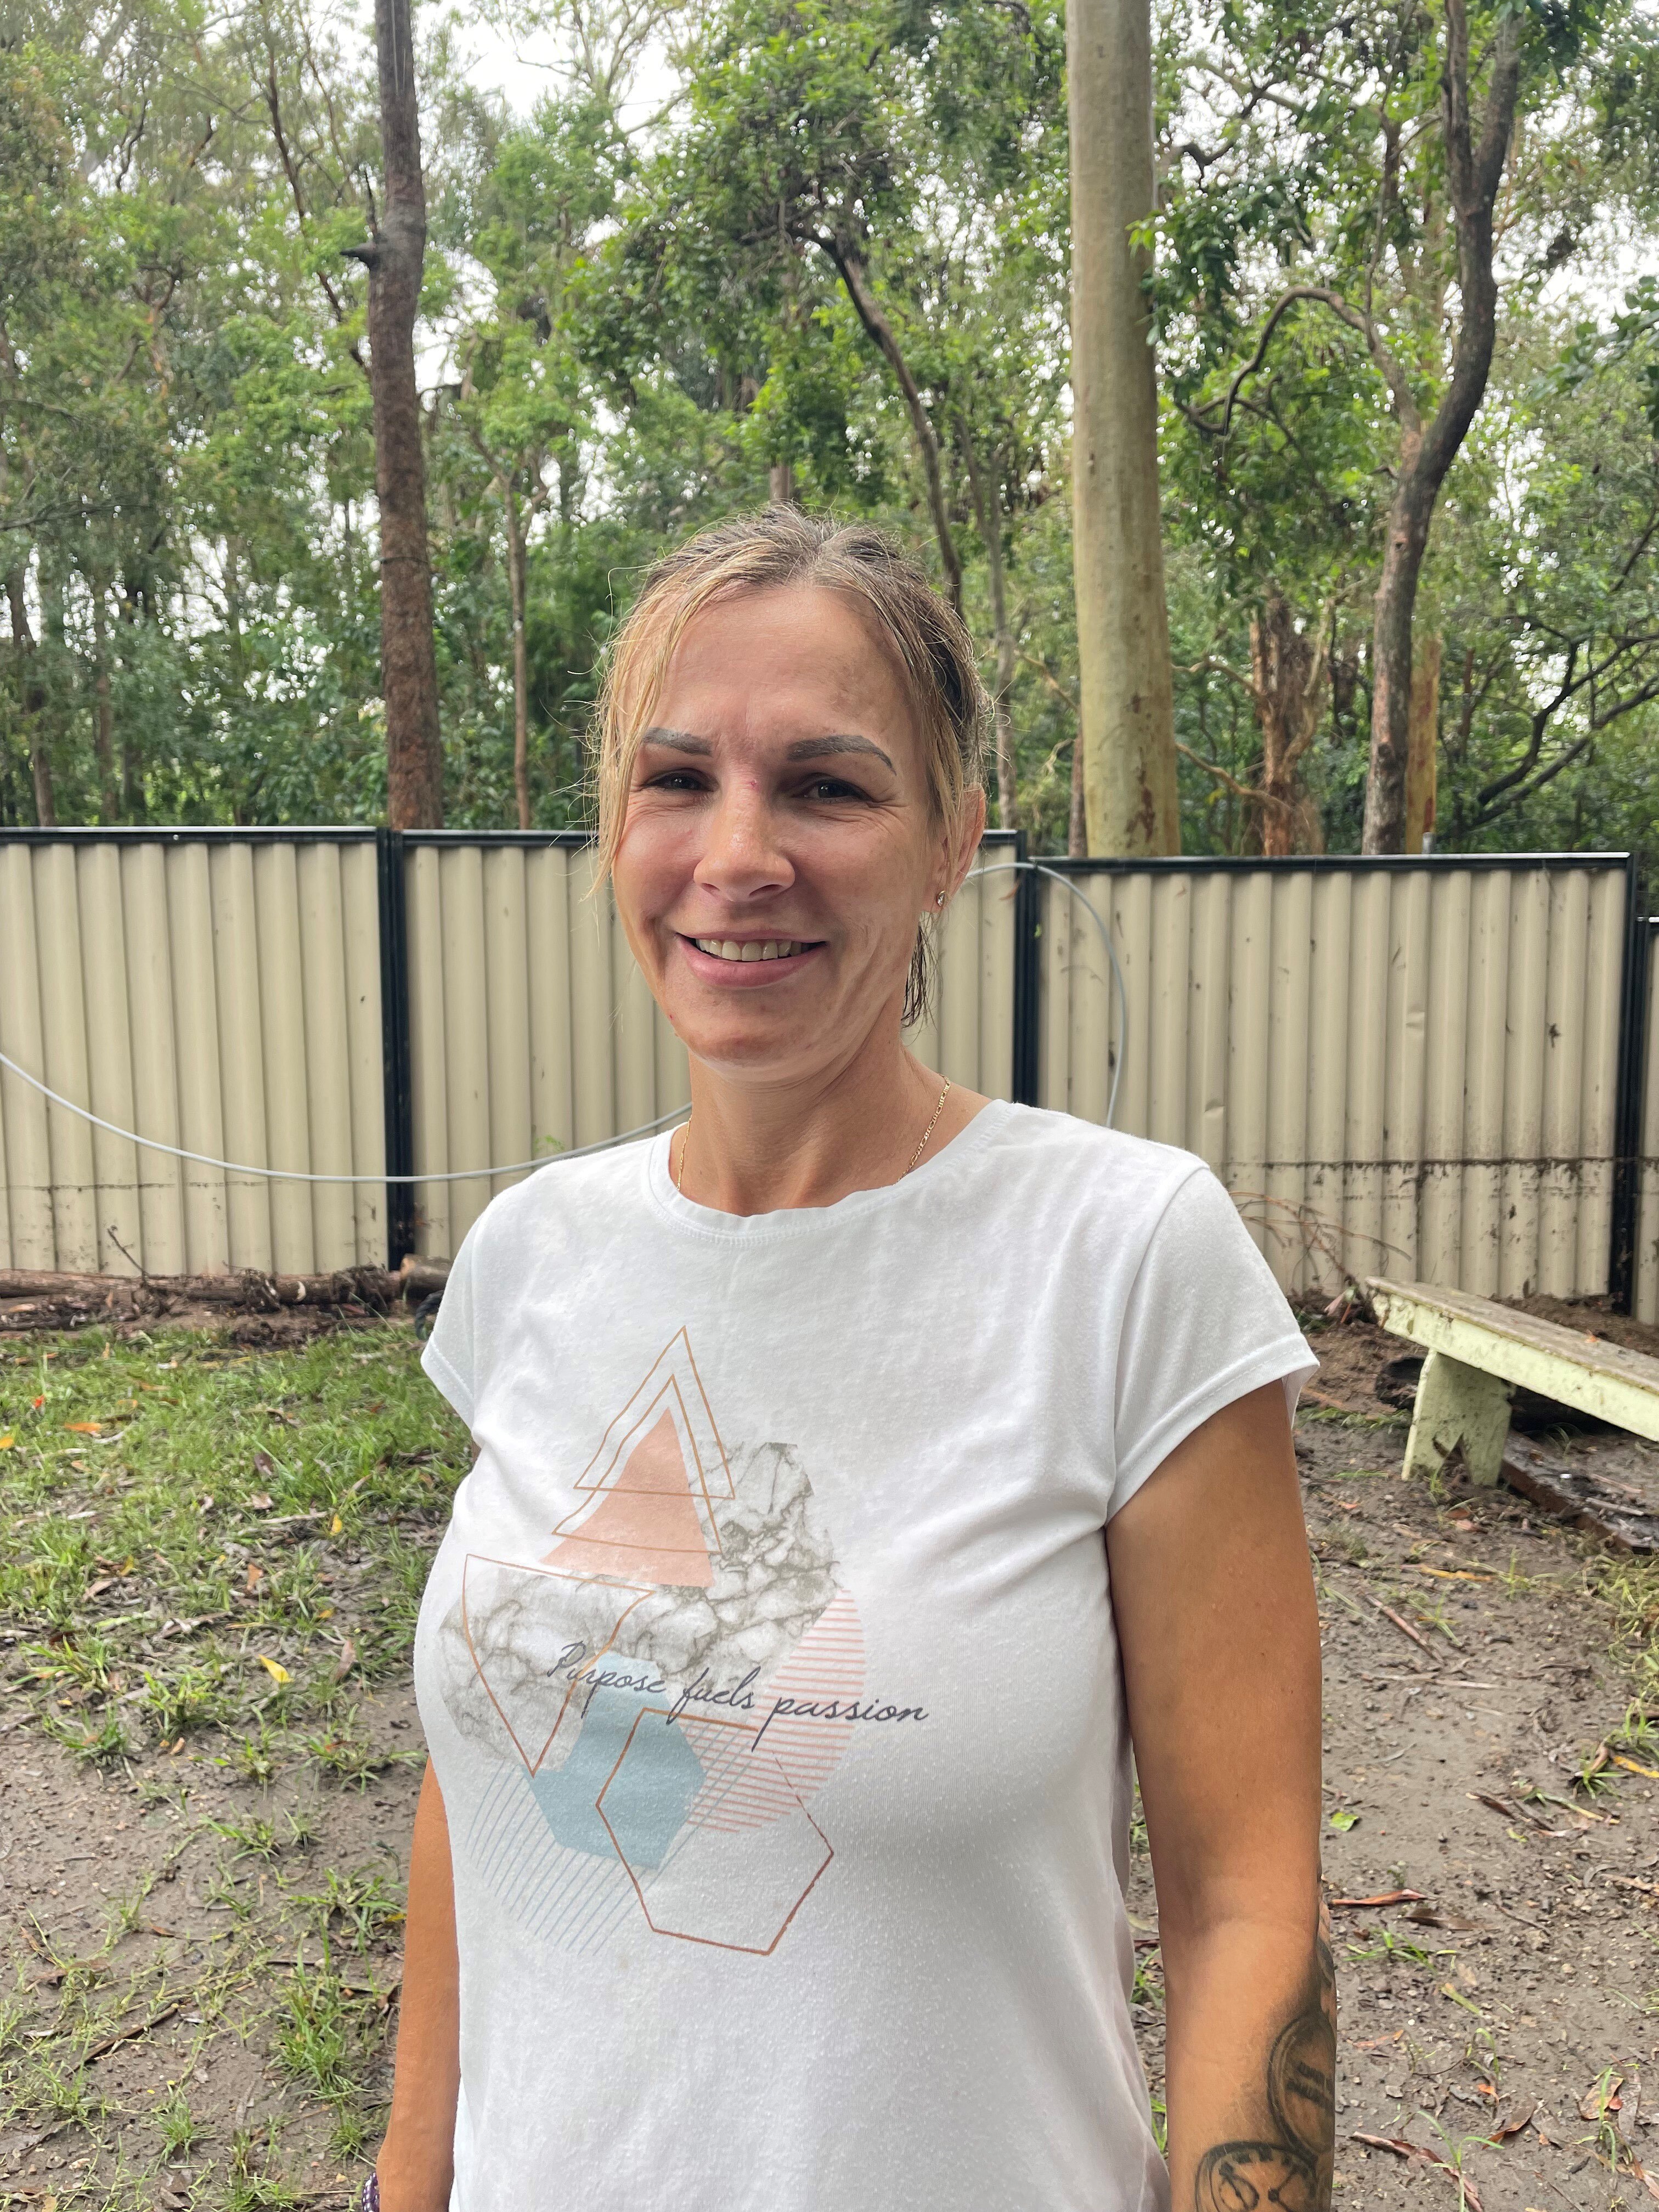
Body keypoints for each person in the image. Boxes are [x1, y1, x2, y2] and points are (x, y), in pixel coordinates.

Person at [371, 509, 1332, 2212]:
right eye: (678, 780)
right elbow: (485, 1785)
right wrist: (404, 2180)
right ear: (615, 830)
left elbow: (1243, 1905)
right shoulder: (534, 1257)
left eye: (826, 787)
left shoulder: (1123, 1258)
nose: (740, 855)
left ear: (951, 838)